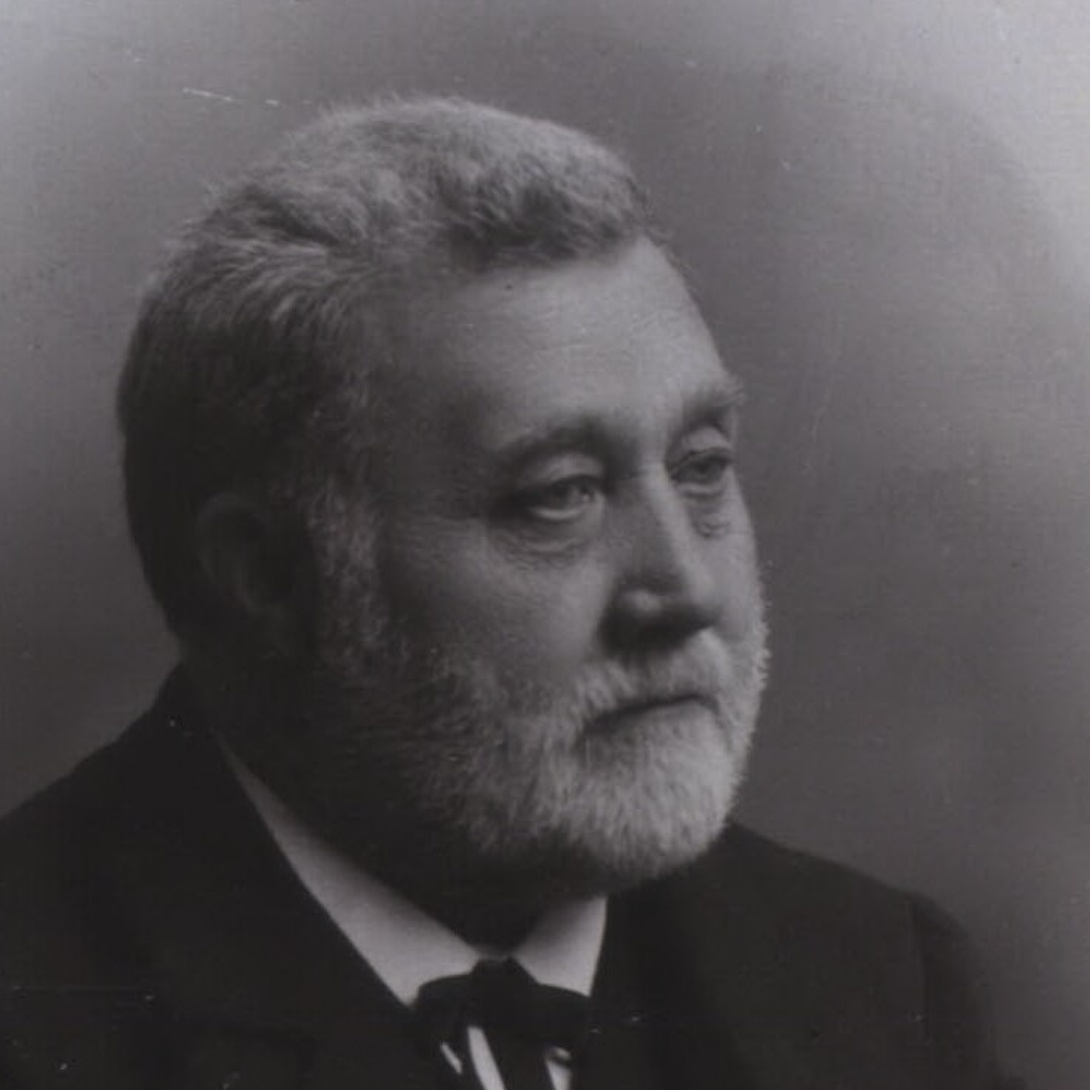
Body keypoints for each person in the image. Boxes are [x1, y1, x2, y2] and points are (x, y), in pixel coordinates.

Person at [0, 97, 1013, 1089]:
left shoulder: (879, 980)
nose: (686, 589)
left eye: (702, 466)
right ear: (268, 573)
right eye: (558, 495)